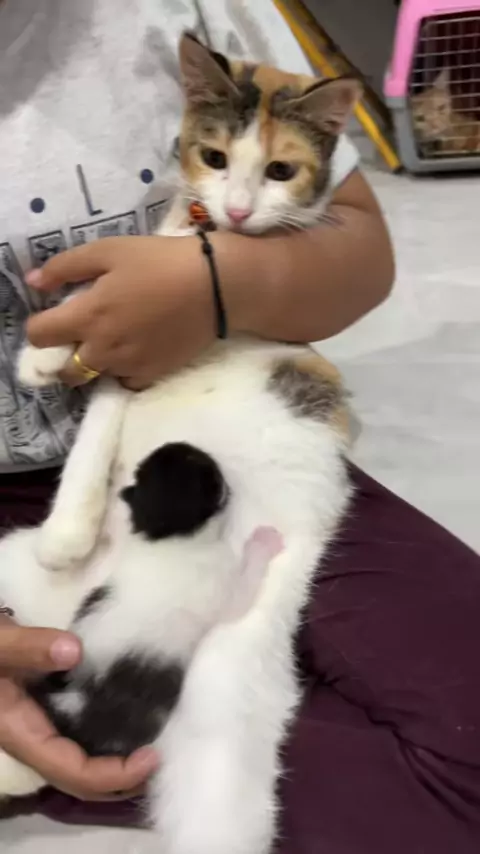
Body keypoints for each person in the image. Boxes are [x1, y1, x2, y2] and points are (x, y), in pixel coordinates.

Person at [1, 2, 480, 852]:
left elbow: (359, 246)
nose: (238, 199)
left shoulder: (190, 14)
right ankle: (119, 727)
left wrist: (221, 290)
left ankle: (117, 721)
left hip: (226, 449)